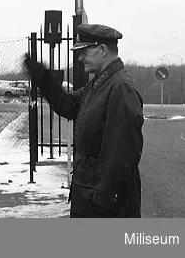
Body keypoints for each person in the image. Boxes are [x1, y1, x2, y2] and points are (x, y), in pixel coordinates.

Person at [25, 24, 144, 218]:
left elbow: (124, 151)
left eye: (84, 52)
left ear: (102, 50)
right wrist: (43, 78)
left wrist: (105, 196)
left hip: (104, 203)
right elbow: (68, 104)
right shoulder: (99, 84)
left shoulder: (121, 88)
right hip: (89, 193)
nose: (80, 58)